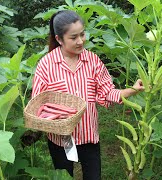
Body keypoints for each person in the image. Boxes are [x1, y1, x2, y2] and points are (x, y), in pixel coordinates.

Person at [31, 10, 144, 180]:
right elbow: (38, 104)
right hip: (60, 139)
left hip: (88, 135)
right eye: (74, 37)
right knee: (63, 177)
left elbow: (107, 92)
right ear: (59, 39)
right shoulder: (46, 65)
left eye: (82, 34)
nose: (80, 41)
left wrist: (132, 90)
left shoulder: (92, 61)